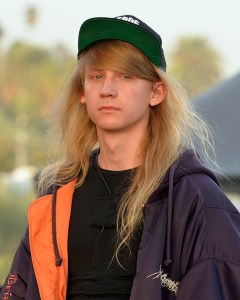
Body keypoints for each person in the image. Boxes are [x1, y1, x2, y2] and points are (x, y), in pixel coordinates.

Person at [1, 14, 240, 300]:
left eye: (126, 76)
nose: (107, 90)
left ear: (156, 92)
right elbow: (18, 289)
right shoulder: (56, 196)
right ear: (82, 92)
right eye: (97, 76)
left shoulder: (195, 197)